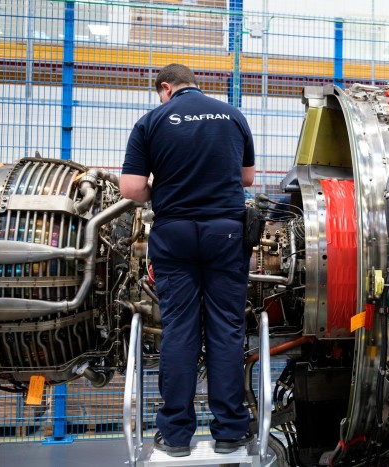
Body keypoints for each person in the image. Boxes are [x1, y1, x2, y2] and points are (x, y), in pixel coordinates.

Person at [120, 63, 255, 457]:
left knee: (179, 328)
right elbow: (246, 178)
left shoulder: (151, 121)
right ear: (194, 85)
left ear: (165, 88)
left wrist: (162, 184)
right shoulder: (232, 115)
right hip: (225, 233)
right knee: (226, 328)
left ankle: (176, 435)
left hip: (175, 234)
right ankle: (230, 430)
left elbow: (131, 188)